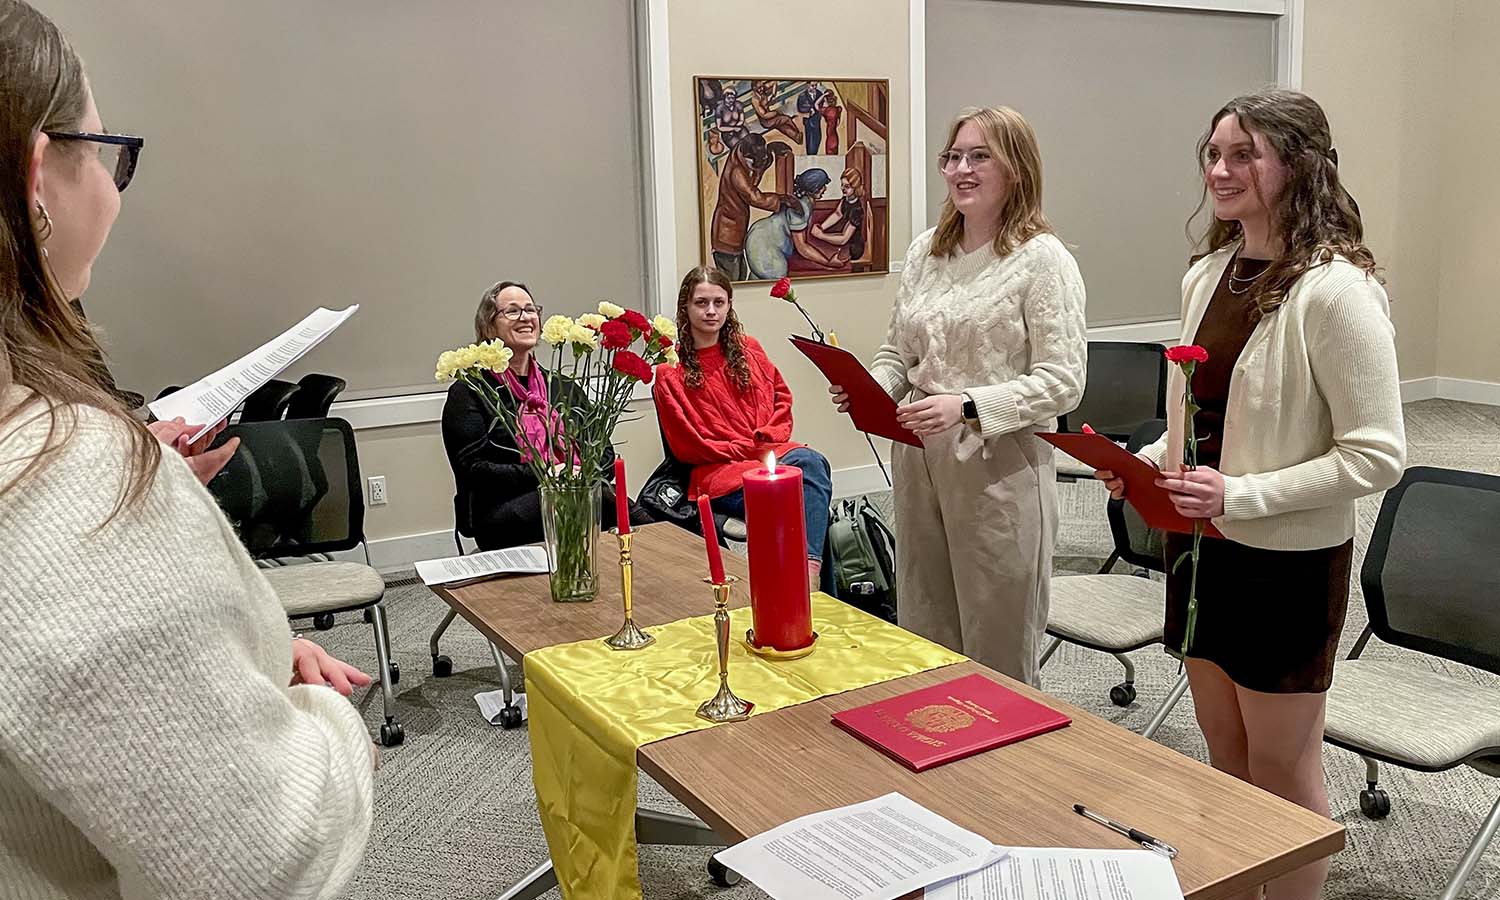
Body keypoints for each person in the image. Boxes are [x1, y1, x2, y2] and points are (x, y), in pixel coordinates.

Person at [0, 2, 376, 897]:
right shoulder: (73, 489)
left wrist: (215, 652)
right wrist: (321, 718)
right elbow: (264, 859)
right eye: (108, 149)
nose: (118, 190)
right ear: (36, 171)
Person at [1095, 89, 1404, 900]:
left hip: (1284, 565)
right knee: (1225, 757)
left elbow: (1376, 455)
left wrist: (1242, 494)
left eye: (1243, 155)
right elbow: (1200, 415)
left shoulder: (1336, 291)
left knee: (1283, 768)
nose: (1219, 170)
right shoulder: (1207, 274)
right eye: (1214, 153)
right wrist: (1144, 460)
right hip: (1199, 551)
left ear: (1296, 166)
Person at [832, 106, 1086, 686]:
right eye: (953, 157)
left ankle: (1005, 771)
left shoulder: (1044, 261)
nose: (961, 169)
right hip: (920, 457)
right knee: (926, 627)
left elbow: (1064, 381)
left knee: (997, 640)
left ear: (1016, 169)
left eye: (979, 156)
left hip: (998, 464)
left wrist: (967, 404)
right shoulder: (928, 251)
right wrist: (873, 388)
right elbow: (899, 350)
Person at [654, 266, 831, 587]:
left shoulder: (749, 349)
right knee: (801, 503)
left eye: (719, 302)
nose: (711, 311)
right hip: (718, 474)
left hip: (768, 455)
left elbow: (781, 402)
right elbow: (689, 446)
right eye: (701, 303)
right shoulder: (670, 371)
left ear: (729, 305)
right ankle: (804, 590)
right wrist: (749, 447)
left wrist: (763, 443)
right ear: (685, 307)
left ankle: (808, 576)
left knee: (812, 466)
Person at [442, 281, 649, 550]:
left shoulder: (562, 386)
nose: (526, 317)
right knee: (602, 498)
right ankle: (666, 539)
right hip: (502, 512)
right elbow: (475, 471)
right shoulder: (471, 391)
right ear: (488, 326)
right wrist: (550, 474)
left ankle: (664, 547)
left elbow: (604, 453)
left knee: (601, 498)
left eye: (531, 309)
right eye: (512, 311)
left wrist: (580, 473)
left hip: (580, 496)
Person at [708, 131, 793, 280]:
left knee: (740, 277)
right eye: (755, 163)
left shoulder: (742, 152)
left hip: (734, 234)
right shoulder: (737, 172)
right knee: (732, 283)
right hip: (726, 237)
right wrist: (782, 199)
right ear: (747, 157)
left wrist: (770, 151)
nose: (755, 167)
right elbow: (754, 197)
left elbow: (753, 179)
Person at [744, 168, 848, 279]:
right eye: (822, 186)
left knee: (757, 282)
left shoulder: (804, 201)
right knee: (777, 278)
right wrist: (828, 262)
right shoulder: (801, 208)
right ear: (814, 188)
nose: (825, 189)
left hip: (758, 236)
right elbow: (802, 248)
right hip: (762, 244)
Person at [811, 166, 870, 265]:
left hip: (853, 247)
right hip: (845, 242)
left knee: (827, 256)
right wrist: (821, 227)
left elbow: (843, 239)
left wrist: (821, 235)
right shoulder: (845, 199)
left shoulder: (857, 210)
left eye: (847, 186)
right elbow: (837, 214)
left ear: (855, 187)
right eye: (842, 185)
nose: (843, 189)